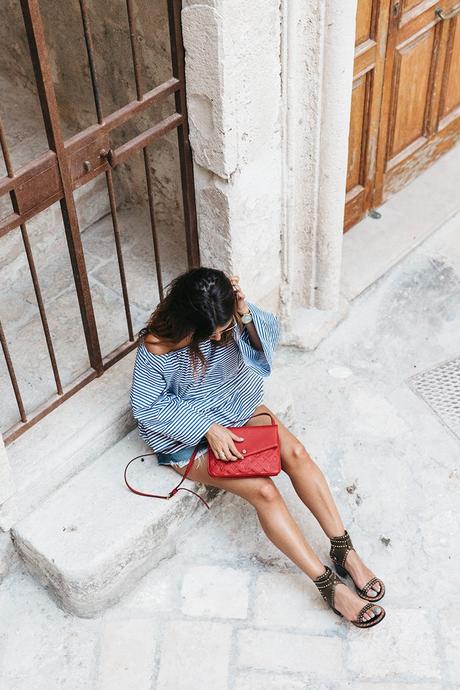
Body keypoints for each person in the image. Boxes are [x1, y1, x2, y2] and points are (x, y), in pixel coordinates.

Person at [130, 267, 386, 628]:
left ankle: (344, 550)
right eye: (212, 330)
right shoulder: (159, 345)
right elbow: (147, 407)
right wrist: (206, 428)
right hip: (190, 437)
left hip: (237, 405)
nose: (220, 335)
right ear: (189, 321)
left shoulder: (225, 316)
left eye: (222, 326)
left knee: (295, 454)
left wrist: (243, 309)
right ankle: (328, 586)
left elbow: (266, 344)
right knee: (265, 491)